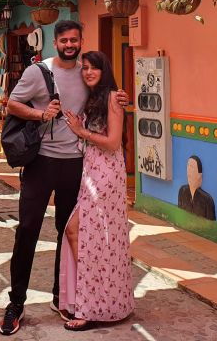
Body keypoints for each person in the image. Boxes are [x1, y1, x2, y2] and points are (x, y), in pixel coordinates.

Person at [0, 20, 128, 336]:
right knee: (27, 229)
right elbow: (11, 103)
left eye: (74, 40)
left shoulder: (87, 72)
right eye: (64, 40)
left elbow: (107, 95)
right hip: (41, 163)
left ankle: (63, 296)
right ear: (54, 42)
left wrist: (120, 97)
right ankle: (16, 303)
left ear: (81, 40)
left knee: (68, 233)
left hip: (77, 165)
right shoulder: (38, 72)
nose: (69, 45)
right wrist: (40, 114)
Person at [59, 51, 134, 331]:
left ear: (105, 70)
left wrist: (82, 132)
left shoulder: (113, 97)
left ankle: (92, 307)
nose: (88, 72)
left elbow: (113, 143)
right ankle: (98, 302)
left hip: (105, 177)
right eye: (85, 68)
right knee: (95, 239)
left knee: (82, 233)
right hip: (92, 173)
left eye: (94, 68)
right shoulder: (93, 98)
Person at [178, 156, 216, 221]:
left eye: (192, 167)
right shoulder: (182, 191)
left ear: (199, 175)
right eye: (188, 166)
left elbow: (211, 224)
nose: (188, 170)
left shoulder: (207, 199)